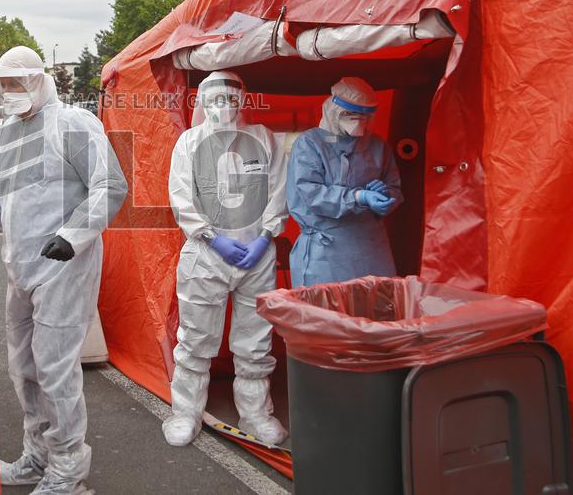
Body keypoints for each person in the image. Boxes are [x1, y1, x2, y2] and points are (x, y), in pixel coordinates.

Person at [0, 46, 127, 494]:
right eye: (4, 84)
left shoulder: (73, 125)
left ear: (39, 80)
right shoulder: (10, 131)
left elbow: (110, 185)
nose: (9, 92)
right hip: (20, 264)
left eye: (17, 83)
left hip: (63, 266)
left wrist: (73, 235)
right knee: (23, 365)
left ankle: (68, 470)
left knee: (56, 368)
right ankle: (37, 456)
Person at [162, 70, 289, 447]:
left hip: (257, 254)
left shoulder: (263, 139)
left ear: (243, 100)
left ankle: (255, 413)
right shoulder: (189, 143)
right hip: (206, 255)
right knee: (197, 338)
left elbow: (278, 191)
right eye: (215, 99)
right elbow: (181, 198)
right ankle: (185, 412)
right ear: (201, 101)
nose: (223, 106)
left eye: (230, 98)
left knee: (255, 340)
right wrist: (213, 239)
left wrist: (265, 237)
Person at [287, 77, 403, 287]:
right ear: (333, 110)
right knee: (327, 314)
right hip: (327, 251)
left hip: (371, 248)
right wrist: (358, 196)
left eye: (364, 116)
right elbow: (311, 194)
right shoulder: (310, 144)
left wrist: (386, 197)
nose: (359, 121)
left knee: (375, 311)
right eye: (351, 114)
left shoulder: (377, 146)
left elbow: (394, 187)